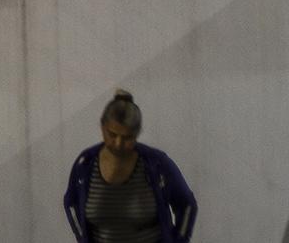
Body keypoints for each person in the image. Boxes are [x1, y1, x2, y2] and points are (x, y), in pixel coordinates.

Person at [63, 88, 197, 242]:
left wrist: (179, 241)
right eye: (112, 135)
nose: (118, 143)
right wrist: (82, 238)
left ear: (137, 133)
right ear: (102, 127)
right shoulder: (85, 164)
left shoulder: (157, 164)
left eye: (127, 137)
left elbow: (187, 204)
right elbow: (71, 203)